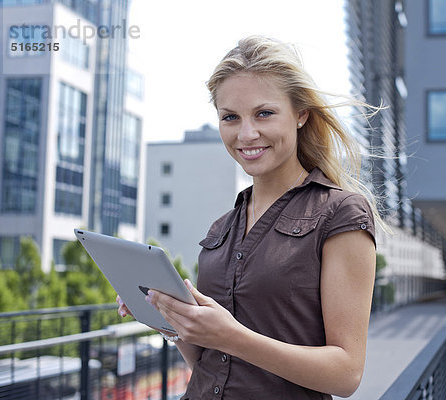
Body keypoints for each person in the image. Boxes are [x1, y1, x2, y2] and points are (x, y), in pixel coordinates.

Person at [118, 36, 380, 399]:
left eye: (264, 113)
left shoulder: (340, 214)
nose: (246, 134)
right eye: (230, 117)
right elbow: (211, 365)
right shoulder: (221, 228)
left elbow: (346, 374)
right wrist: (168, 317)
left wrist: (231, 335)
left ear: (301, 114)